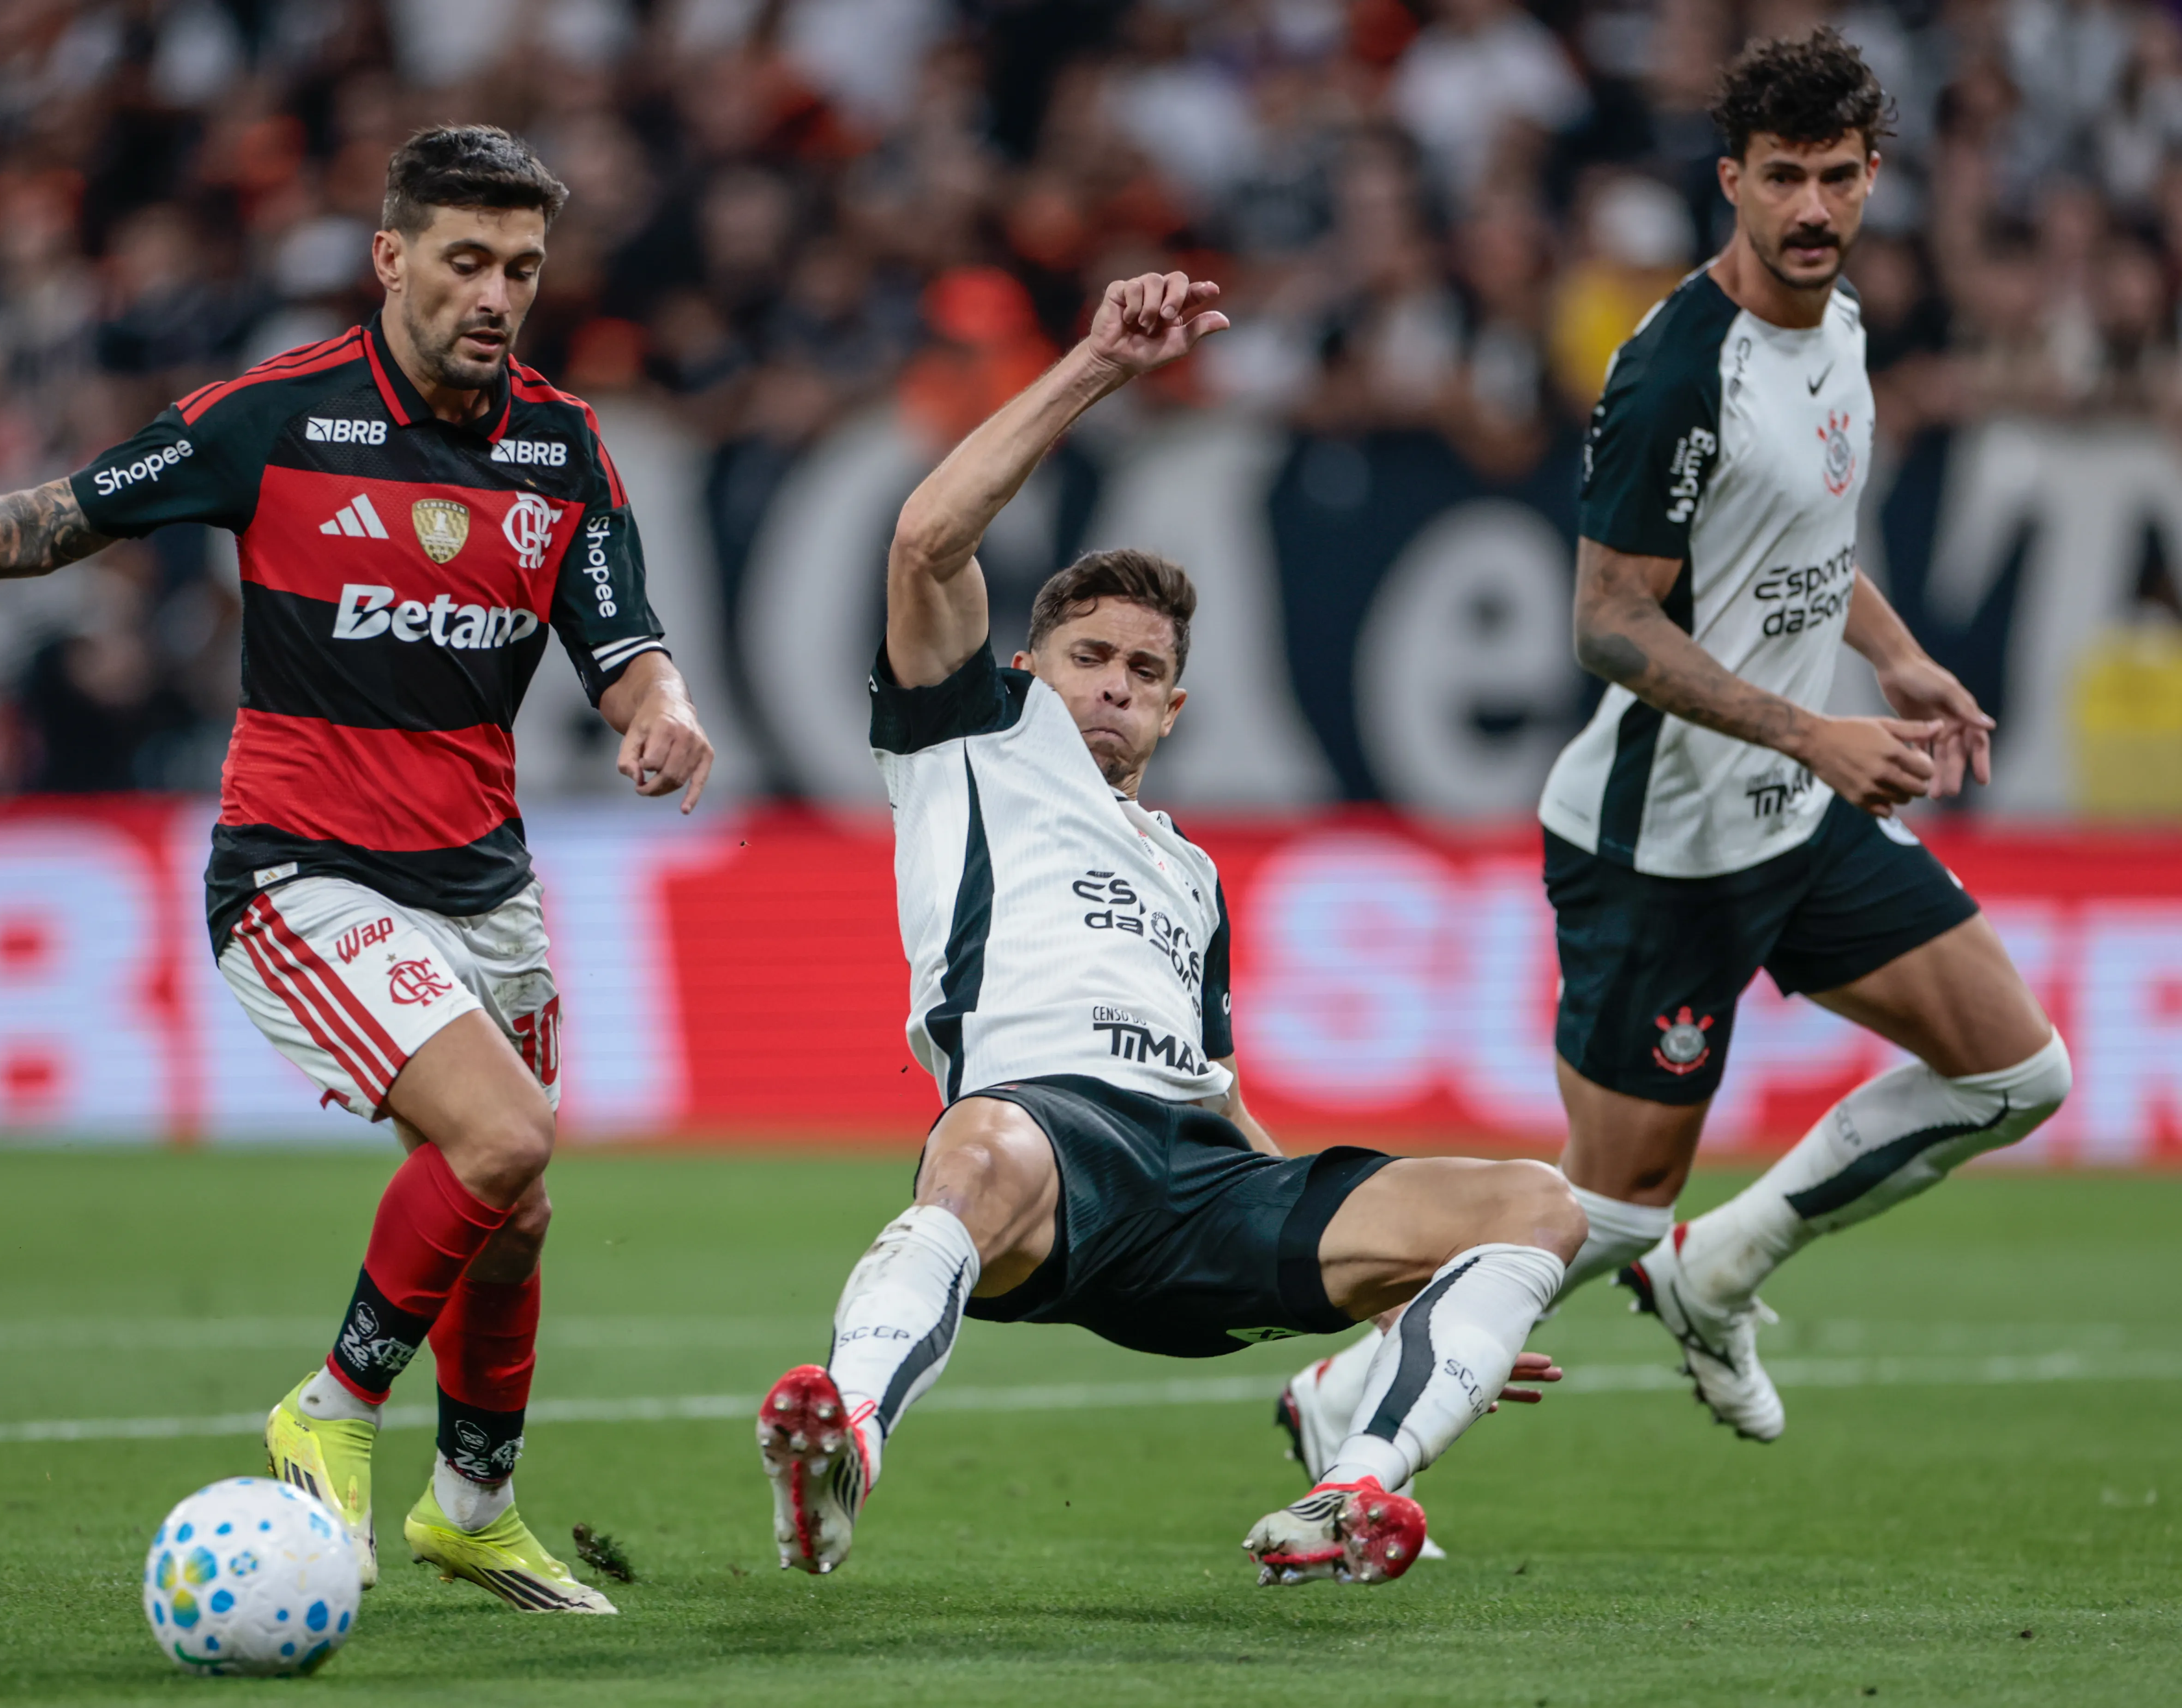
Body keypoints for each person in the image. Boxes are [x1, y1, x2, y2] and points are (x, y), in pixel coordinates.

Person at [0, 125, 718, 1614]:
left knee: (516, 1201)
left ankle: (473, 1509)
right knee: (502, 1140)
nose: (496, 295)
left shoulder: (561, 442)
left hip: (483, 879)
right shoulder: (274, 416)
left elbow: (623, 639)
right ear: (391, 258)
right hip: (301, 868)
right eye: (468, 261)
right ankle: (332, 1407)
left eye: (522, 269)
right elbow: (71, 512)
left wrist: (664, 713)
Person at [1277, 29, 2070, 1473]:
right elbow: (1605, 622)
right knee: (1604, 1212)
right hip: (1661, 846)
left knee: (2016, 1073)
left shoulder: (1836, 326)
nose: (1813, 208)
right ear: (1731, 182)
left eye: (1837, 176)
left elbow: (1800, 545)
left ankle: (1720, 1270)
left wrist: (1886, 654)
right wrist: (1816, 728)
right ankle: (1352, 1391)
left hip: (1794, 812)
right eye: (1783, 179)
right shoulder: (1673, 375)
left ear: (1872, 175)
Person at [753, 270, 1584, 1588]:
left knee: (1535, 1206)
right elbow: (922, 541)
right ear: (1033, 670)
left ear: (1174, 711)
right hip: (1046, 1151)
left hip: (1198, 1186)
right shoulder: (972, 736)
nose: (1116, 688)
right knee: (975, 1138)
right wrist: (1096, 367)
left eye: (1145, 673)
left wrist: (1414, 1304)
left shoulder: (1192, 874)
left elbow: (1220, 1089)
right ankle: (845, 1439)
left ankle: (1352, 1477)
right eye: (1090, 656)